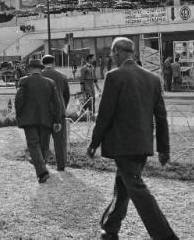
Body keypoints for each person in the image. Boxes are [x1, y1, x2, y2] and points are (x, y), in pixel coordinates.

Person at [87, 37, 177, 240]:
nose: (111, 57)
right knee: (124, 184)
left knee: (136, 187)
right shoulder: (153, 79)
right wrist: (164, 149)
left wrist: (94, 143)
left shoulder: (114, 77)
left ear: (118, 52)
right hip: (142, 145)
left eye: (112, 53)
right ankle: (110, 229)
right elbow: (161, 117)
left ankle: (165, 236)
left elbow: (105, 114)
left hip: (122, 146)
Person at [15, 58, 62, 184]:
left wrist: (19, 114)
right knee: (43, 145)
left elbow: (19, 99)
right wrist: (57, 120)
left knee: (33, 144)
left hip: (28, 118)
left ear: (29, 69)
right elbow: (56, 103)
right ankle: (42, 166)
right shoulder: (50, 82)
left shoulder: (24, 81)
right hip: (46, 118)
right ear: (41, 69)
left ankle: (42, 172)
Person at [42, 54, 70, 171]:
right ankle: (61, 165)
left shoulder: (40, 76)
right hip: (60, 112)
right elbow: (66, 95)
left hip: (44, 113)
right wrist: (63, 106)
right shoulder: (62, 76)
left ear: (43, 63)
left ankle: (43, 164)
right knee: (60, 141)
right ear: (53, 63)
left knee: (43, 141)